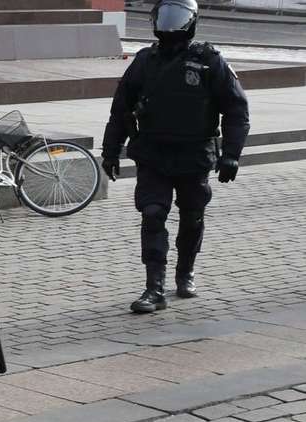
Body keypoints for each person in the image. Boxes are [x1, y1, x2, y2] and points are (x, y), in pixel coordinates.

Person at [100, 0, 249, 314]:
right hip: (153, 153)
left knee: (192, 216)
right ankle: (154, 288)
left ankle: (186, 271)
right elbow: (120, 110)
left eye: (177, 18)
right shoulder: (145, 61)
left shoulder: (211, 61)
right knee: (153, 213)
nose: (170, 25)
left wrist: (231, 154)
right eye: (165, 17)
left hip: (194, 154)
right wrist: (111, 150)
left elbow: (236, 111)